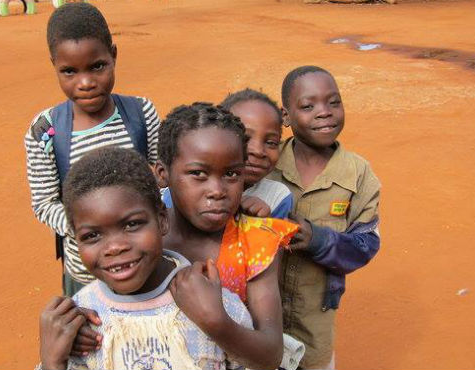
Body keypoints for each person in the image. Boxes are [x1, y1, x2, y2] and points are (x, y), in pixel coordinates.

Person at [38, 147, 253, 370]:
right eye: (92, 236)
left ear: (162, 219)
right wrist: (52, 362)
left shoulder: (214, 303)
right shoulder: (79, 323)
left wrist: (219, 322)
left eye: (132, 224)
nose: (115, 247)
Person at [24, 2, 161, 297]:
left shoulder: (140, 113)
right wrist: (91, 232)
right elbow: (44, 204)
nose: (85, 83)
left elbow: (164, 176)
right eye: (69, 71)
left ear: (113, 55)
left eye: (97, 66)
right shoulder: (44, 131)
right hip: (87, 271)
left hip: (144, 261)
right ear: (54, 66)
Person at [154, 103, 299, 369]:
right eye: (198, 174)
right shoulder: (144, 239)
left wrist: (215, 320)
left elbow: (270, 355)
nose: (217, 190)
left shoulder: (257, 242)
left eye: (232, 174)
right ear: (163, 174)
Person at [269, 65, 381, 369]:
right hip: (260, 319)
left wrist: (318, 240)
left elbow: (365, 245)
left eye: (334, 102)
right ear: (286, 116)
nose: (324, 113)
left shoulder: (359, 175)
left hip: (314, 324)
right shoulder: (266, 163)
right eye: (308, 106)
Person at [160, 89, 293, 219]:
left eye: (271, 142)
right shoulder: (168, 197)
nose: (258, 151)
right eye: (245, 138)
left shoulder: (277, 197)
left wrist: (261, 225)